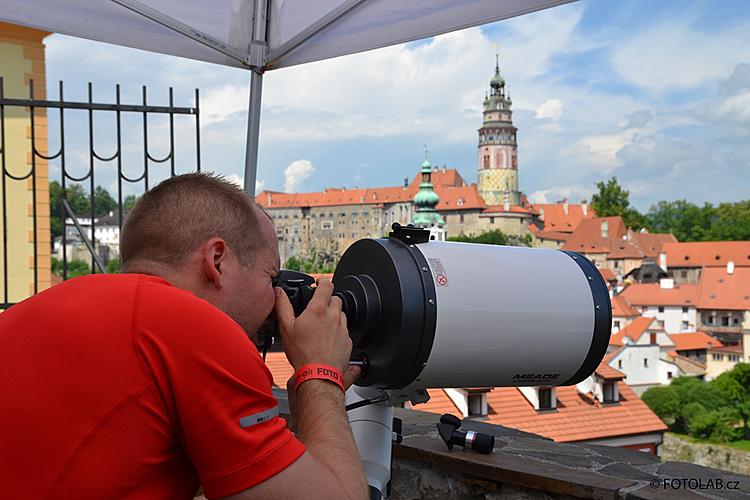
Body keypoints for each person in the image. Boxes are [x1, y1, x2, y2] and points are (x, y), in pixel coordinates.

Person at [0, 173, 368, 499]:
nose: (277, 299)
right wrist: (319, 373)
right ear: (217, 261)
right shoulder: (196, 330)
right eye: (271, 278)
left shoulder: (45, 307)